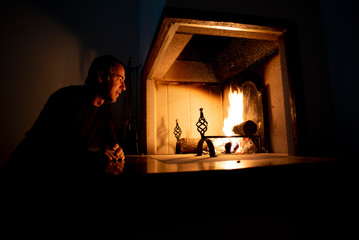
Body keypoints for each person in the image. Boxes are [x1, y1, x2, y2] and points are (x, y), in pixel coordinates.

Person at [2, 55, 126, 179]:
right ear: (101, 77)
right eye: (120, 79)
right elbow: (59, 151)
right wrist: (97, 157)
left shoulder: (104, 108)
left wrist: (116, 149)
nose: (124, 87)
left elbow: (110, 138)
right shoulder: (66, 99)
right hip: (25, 170)